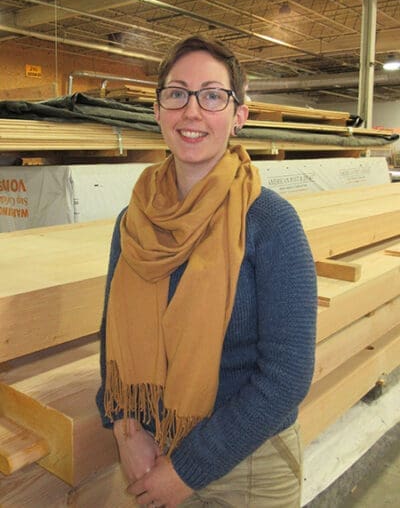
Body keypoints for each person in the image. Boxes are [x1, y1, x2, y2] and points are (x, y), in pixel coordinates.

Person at [96, 35, 317, 508]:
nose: (192, 111)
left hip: (249, 465)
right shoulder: (132, 221)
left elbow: (288, 375)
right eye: (177, 93)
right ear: (158, 110)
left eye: (213, 95)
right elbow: (110, 336)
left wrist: (188, 469)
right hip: (149, 453)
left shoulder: (270, 223)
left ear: (239, 115)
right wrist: (125, 430)